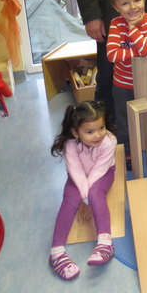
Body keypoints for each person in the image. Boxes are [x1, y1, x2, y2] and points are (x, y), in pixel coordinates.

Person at [49, 101, 117, 281]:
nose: (98, 135)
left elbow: (98, 172)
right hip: (78, 176)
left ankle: (105, 243)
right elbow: (76, 171)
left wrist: (87, 199)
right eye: (89, 131)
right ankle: (56, 252)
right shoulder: (70, 144)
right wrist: (82, 198)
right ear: (75, 132)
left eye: (101, 128)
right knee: (69, 200)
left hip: (103, 174)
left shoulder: (109, 142)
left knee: (96, 194)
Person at [106, 0, 147, 159]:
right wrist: (138, 49)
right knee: (125, 122)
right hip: (123, 85)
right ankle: (128, 155)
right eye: (125, 3)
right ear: (116, 7)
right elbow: (112, 55)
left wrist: (132, 29)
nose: (133, 7)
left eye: (137, 0)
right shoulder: (115, 23)